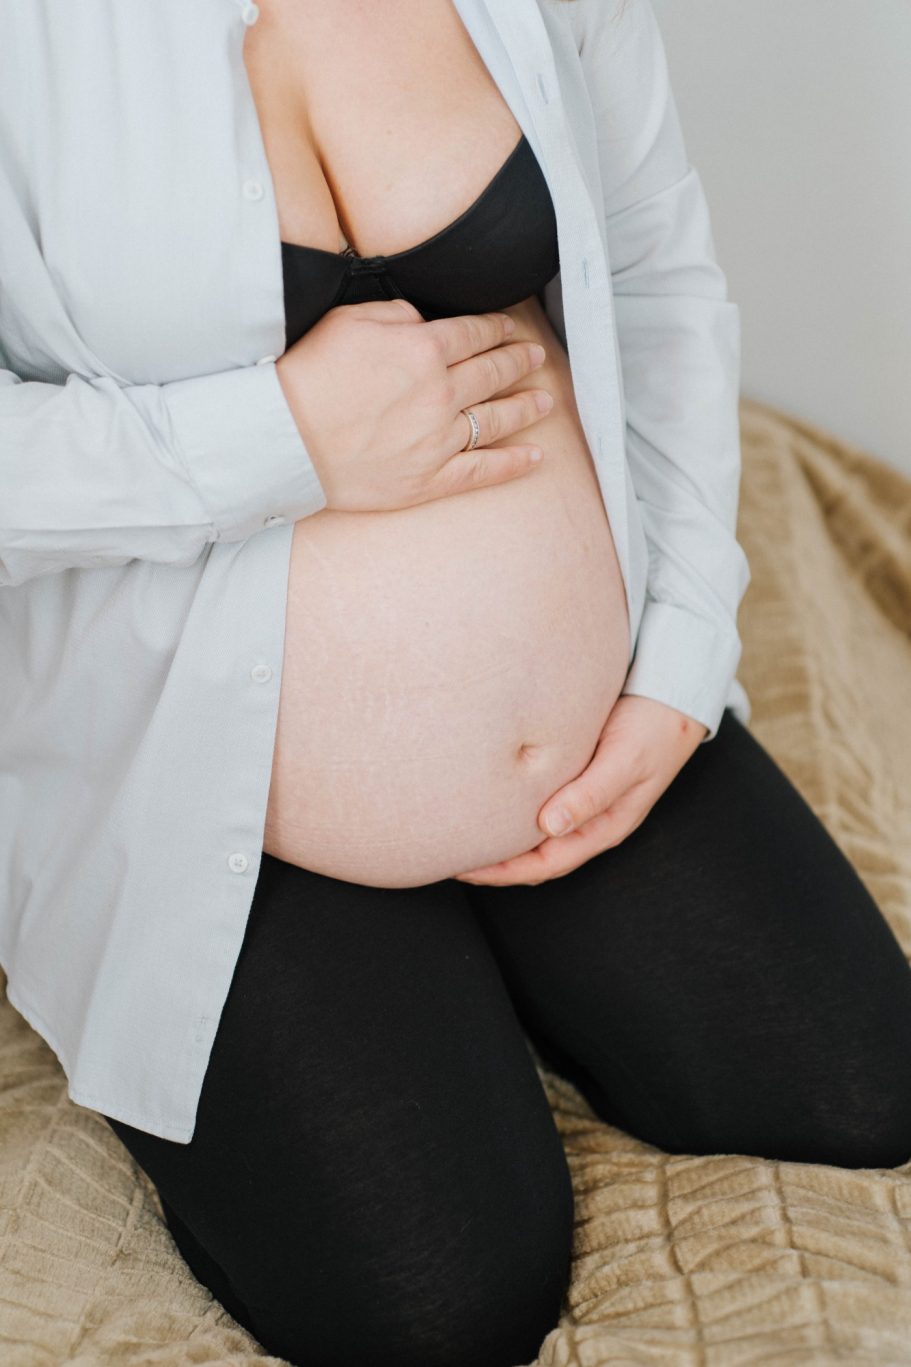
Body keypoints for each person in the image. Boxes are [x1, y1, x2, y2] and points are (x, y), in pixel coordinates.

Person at [2, 1, 911, 1364]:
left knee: (861, 1087)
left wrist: (677, 661)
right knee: (437, 1299)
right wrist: (283, 438)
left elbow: (656, 270)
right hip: (210, 784)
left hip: (598, 715)